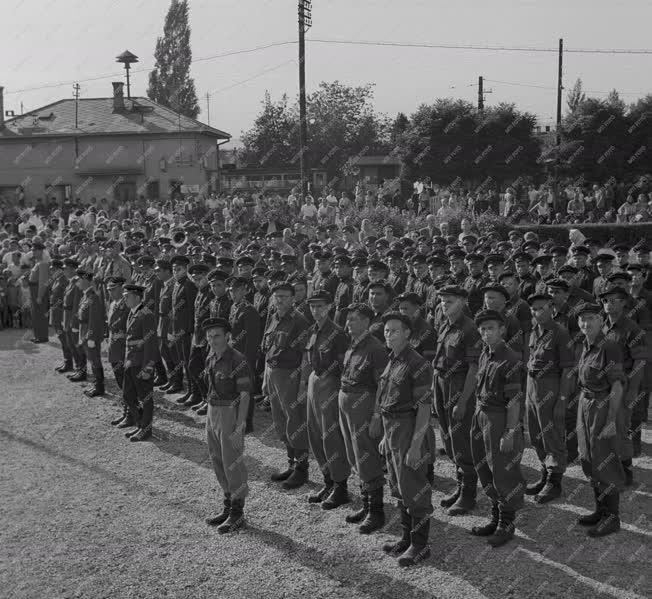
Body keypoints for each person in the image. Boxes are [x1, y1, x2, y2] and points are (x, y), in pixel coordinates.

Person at [377, 312, 435, 567]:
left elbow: (424, 409)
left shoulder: (418, 363)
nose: (389, 335)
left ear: (408, 333)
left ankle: (420, 545)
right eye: (387, 331)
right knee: (398, 485)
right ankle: (406, 537)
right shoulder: (393, 359)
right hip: (392, 429)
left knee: (414, 486)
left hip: (409, 428)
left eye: (395, 331)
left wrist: (415, 445)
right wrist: (384, 437)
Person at [471, 309, 525, 547]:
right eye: (482, 329)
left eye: (491, 328)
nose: (486, 333)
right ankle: (495, 518)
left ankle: (507, 524)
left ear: (502, 330)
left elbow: (514, 400)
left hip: (499, 418)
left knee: (504, 471)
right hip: (481, 414)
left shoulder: (510, 359)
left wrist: (510, 432)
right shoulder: (486, 353)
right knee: (485, 467)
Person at [575, 303, 625, 537]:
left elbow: (616, 384)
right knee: (588, 457)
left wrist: (612, 419)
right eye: (583, 319)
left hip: (602, 406)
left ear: (601, 320)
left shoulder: (609, 346)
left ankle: (612, 517)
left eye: (592, 318)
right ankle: (600, 510)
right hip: (585, 404)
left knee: (604, 458)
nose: (586, 323)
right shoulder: (586, 345)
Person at [338, 303, 389, 533]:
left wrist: (377, 415)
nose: (349, 323)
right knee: (353, 453)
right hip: (347, 400)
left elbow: (383, 385)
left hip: (364, 403)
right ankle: (365, 503)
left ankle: (376, 511)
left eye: (355, 319)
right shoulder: (353, 344)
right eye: (348, 319)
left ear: (367, 322)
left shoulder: (375, 348)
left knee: (366, 454)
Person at [432, 286, 482, 515]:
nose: (444, 304)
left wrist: (463, 402)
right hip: (441, 382)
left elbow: (474, 368)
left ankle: (469, 494)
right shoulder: (445, 322)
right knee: (448, 436)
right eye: (442, 301)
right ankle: (461, 485)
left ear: (462, 301)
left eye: (449, 301)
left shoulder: (470, 328)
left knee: (461, 437)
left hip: (459, 385)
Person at [300, 290, 351, 509]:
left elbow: (343, 367)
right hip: (315, 381)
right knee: (315, 433)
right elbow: (308, 359)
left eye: (320, 306)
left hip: (331, 383)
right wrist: (304, 384)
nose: (316, 310)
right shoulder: (313, 330)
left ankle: (340, 486)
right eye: (312, 306)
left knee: (331, 435)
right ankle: (327, 480)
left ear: (330, 307)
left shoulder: (337, 333)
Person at [202, 317, 252, 533]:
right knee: (217, 459)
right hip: (213, 411)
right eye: (210, 337)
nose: (213, 341)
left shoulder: (237, 359)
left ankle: (237, 513)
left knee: (233, 461)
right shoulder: (211, 357)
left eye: (218, 336)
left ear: (228, 336)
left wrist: (240, 427)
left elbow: (245, 396)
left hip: (230, 412)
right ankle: (227, 504)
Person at [524, 293, 574, 502]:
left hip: (550, 387)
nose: (538, 312)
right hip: (532, 386)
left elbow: (568, 370)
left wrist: (562, 400)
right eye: (534, 309)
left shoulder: (560, 333)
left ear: (551, 308)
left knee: (551, 434)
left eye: (542, 308)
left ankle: (554, 482)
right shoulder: (534, 331)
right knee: (536, 433)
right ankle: (545, 474)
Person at [262, 282, 311, 489]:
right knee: (280, 420)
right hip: (274, 374)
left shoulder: (299, 320)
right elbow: (268, 349)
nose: (279, 300)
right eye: (277, 296)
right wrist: (265, 378)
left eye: (284, 296)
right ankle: (291, 463)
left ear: (293, 298)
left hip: (290, 375)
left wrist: (301, 385)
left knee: (295, 421)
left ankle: (301, 469)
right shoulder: (274, 317)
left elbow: (305, 355)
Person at [122, 283, 158, 442]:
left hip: (141, 362)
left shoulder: (146, 314)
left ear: (137, 297)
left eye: (127, 296)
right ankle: (140, 423)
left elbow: (151, 344)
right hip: (131, 361)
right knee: (128, 395)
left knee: (145, 397)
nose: (124, 298)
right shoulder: (132, 313)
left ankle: (146, 429)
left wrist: (148, 367)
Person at [227, 276, 262, 432]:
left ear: (244, 291)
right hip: (234, 355)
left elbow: (252, 341)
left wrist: (247, 362)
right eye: (231, 291)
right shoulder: (234, 307)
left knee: (246, 390)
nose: (232, 294)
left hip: (244, 358)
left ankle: (247, 423)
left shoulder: (249, 311)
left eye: (236, 290)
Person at [167, 255, 197, 395]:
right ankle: (185, 388)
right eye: (173, 269)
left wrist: (190, 330)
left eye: (178, 269)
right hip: (176, 328)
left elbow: (192, 309)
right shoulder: (177, 283)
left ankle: (192, 392)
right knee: (179, 358)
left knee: (187, 361)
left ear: (185, 269)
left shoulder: (189, 285)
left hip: (185, 330)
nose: (175, 272)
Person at [76, 268, 106, 397]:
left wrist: (92, 337)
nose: (78, 282)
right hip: (84, 331)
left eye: (80, 279)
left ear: (86, 280)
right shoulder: (86, 295)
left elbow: (95, 320)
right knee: (91, 359)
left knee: (95, 360)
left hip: (90, 334)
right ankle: (96, 384)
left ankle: (99, 387)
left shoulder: (93, 297)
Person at [106, 276, 130, 422]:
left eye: (113, 289)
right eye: (109, 290)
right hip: (114, 348)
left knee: (126, 383)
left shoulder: (127, 305)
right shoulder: (113, 304)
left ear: (122, 288)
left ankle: (130, 413)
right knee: (120, 381)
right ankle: (129, 411)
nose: (110, 292)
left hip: (123, 348)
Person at [49, 259, 73, 372]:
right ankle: (67, 361)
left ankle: (69, 363)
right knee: (61, 338)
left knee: (64, 339)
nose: (51, 271)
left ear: (59, 270)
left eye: (54, 269)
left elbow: (66, 299)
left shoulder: (64, 281)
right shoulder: (57, 280)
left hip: (60, 313)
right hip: (55, 313)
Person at [28, 240, 49, 343]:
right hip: (33, 290)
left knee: (40, 314)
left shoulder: (43, 263)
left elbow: (43, 282)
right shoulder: (38, 263)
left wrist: (40, 295)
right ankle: (37, 335)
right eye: (32, 250)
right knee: (35, 314)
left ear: (41, 251)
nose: (33, 252)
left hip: (38, 290)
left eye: (35, 250)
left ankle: (42, 336)